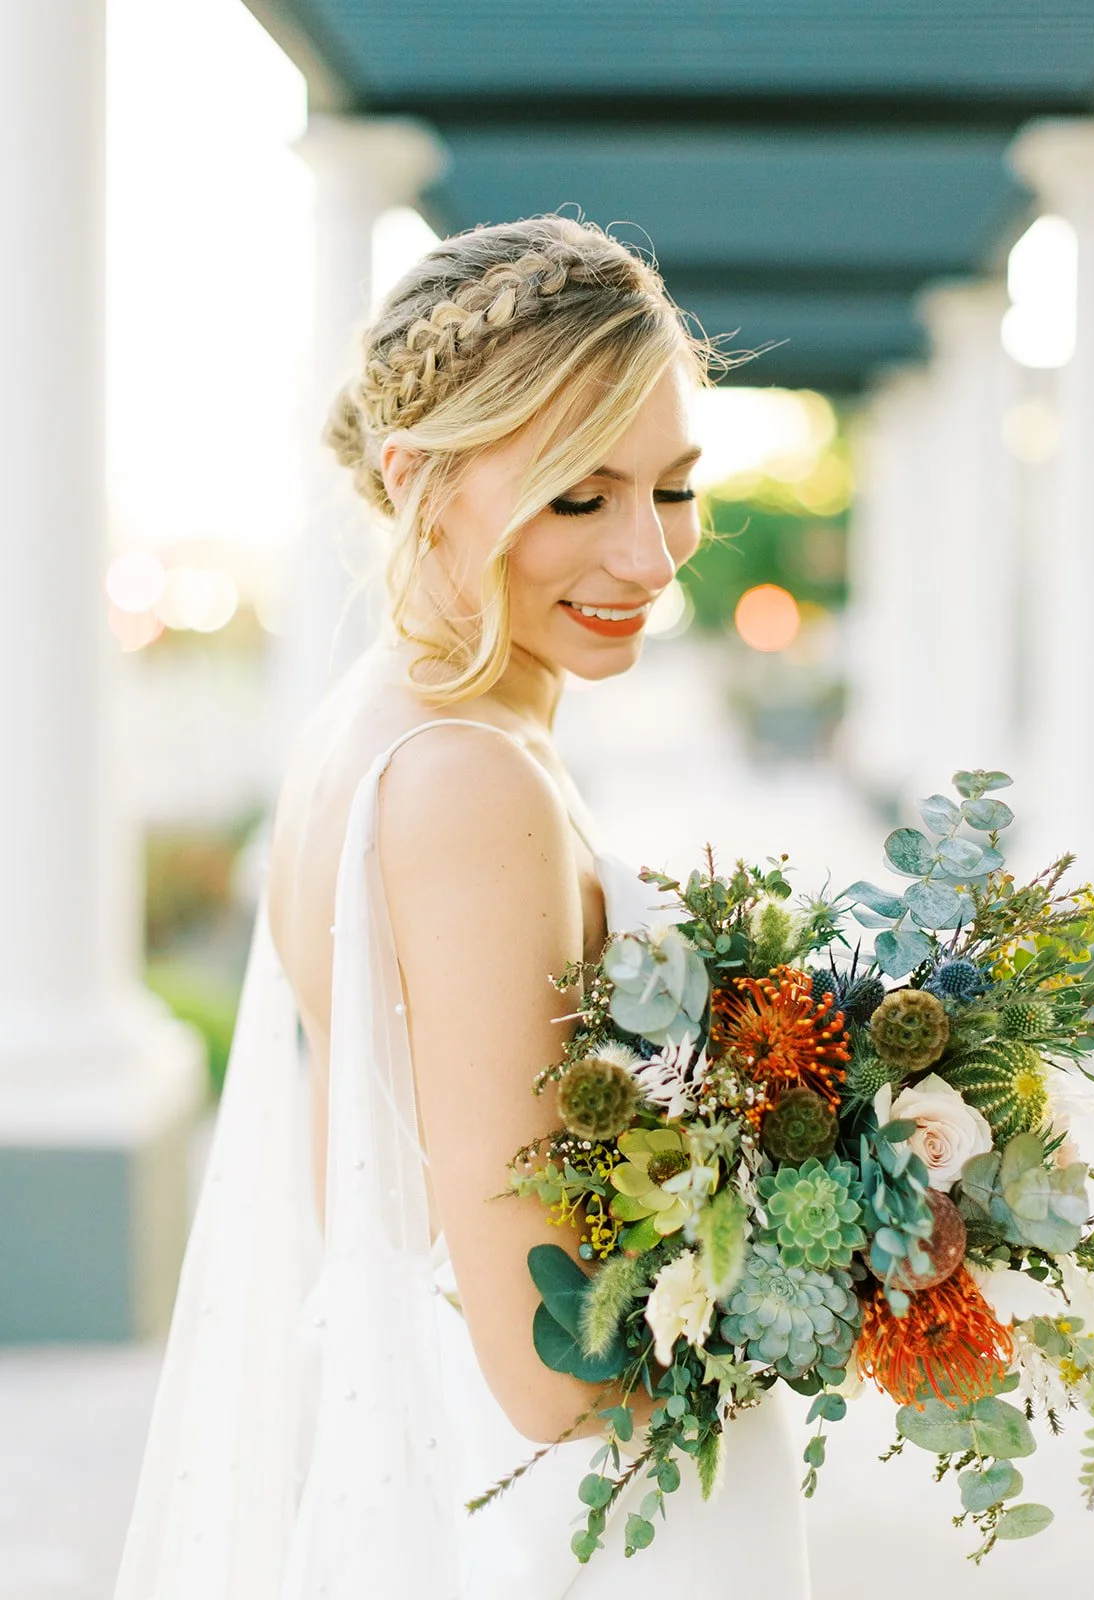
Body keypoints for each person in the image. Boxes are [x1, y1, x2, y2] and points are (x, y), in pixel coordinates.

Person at [115, 215, 812, 1598]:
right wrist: (840, 1251)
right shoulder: (466, 782)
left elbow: (369, 1186)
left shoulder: (370, 734)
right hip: (592, 1531)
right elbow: (554, 1375)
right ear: (418, 482)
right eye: (578, 497)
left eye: (672, 488)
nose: (651, 557)